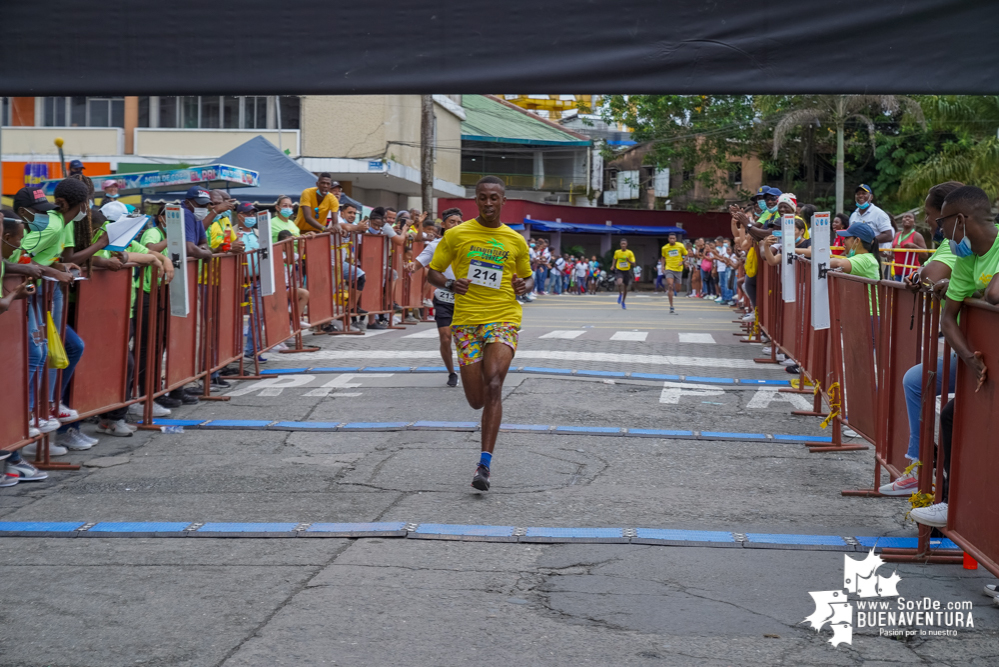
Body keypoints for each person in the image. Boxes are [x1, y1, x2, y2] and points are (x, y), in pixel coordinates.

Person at [427, 176, 533, 492]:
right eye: (483, 198)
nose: (488, 203)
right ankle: (485, 417)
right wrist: (448, 283)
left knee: (495, 383)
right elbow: (432, 271)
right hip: (466, 323)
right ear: (476, 200)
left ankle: (484, 464)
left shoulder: (516, 240)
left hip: (503, 318)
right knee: (476, 400)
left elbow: (528, 279)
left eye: (494, 198)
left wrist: (522, 286)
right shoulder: (457, 235)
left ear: (503, 201)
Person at [910, 185, 999, 527]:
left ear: (961, 220)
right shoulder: (965, 257)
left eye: (942, 222)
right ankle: (953, 502)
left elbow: (994, 294)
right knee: (951, 416)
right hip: (987, 361)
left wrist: (984, 291)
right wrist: (969, 358)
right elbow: (948, 319)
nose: (939, 231)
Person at [878, 181, 963, 496]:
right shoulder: (955, 244)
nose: (928, 222)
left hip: (977, 352)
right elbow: (930, 276)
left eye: (930, 216)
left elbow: (932, 274)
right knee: (918, 381)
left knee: (944, 406)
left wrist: (925, 276)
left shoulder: (962, 244)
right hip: (969, 348)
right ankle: (923, 467)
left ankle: (929, 475)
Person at [410, 207, 463, 387]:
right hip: (443, 298)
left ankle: (469, 368)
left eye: (459, 223)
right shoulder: (435, 245)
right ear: (444, 225)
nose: (456, 225)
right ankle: (451, 372)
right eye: (452, 222)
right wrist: (410, 267)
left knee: (464, 339)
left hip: (465, 300)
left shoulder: (468, 244)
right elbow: (418, 264)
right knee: (445, 337)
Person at [850, 184, 895, 253]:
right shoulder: (853, 215)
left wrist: (866, 241)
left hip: (875, 256)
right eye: (858, 194)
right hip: (857, 255)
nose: (860, 196)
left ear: (871, 197)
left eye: (864, 193)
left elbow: (888, 236)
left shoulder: (879, 214)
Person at [891, 212, 926, 281]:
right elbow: (894, 252)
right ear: (902, 221)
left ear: (914, 222)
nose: (907, 218)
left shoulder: (917, 235)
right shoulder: (897, 234)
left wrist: (914, 246)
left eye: (910, 217)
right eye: (905, 217)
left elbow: (925, 255)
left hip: (911, 272)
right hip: (897, 272)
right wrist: (890, 255)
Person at [660, 233, 686, 314]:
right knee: (670, 285)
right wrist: (662, 266)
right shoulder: (665, 248)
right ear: (668, 239)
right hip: (669, 268)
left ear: (676, 239)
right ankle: (671, 306)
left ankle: (674, 290)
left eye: (673, 238)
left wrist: (683, 261)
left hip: (678, 269)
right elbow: (663, 257)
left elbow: (686, 255)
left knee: (677, 290)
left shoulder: (680, 246)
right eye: (670, 238)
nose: (672, 240)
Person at [612, 239, 636, 309]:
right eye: (622, 244)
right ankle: (620, 294)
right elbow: (614, 258)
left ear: (626, 244)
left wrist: (629, 261)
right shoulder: (617, 252)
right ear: (620, 244)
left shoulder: (630, 253)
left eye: (624, 244)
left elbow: (634, 264)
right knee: (619, 283)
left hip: (626, 271)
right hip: (619, 270)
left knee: (625, 287)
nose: (623, 245)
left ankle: (623, 302)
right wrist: (613, 265)